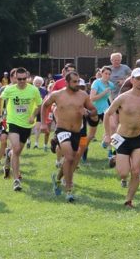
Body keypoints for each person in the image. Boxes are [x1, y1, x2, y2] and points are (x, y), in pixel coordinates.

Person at [40, 72, 99, 202]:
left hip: (77, 132)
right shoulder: (57, 94)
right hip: (62, 130)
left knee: (71, 160)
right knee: (70, 157)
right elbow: (44, 105)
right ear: (67, 82)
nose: (77, 84)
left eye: (78, 81)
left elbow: (94, 110)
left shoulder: (83, 96)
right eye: (74, 82)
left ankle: (57, 179)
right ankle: (68, 190)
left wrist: (88, 113)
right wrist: (44, 123)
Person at [104, 69, 140, 208]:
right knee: (123, 173)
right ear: (132, 80)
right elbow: (107, 114)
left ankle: (128, 201)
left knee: (136, 171)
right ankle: (116, 160)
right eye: (138, 79)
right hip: (122, 139)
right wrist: (107, 134)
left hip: (138, 139)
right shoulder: (122, 98)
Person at [0, 68, 44, 192]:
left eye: (24, 79)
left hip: (27, 124)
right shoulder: (9, 89)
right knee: (16, 148)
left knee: (16, 152)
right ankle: (16, 180)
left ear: (28, 78)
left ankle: (9, 154)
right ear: (15, 78)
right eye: (19, 79)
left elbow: (40, 104)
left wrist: (33, 116)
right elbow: (0, 99)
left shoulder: (33, 90)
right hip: (12, 122)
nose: (22, 81)